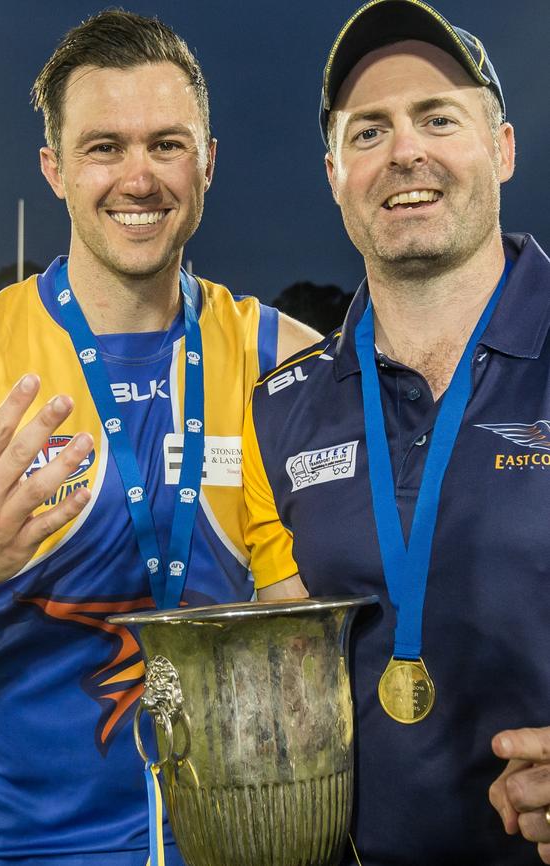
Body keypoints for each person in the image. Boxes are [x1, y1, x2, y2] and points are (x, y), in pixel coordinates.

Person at [0, 10, 318, 866]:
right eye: (103, 147)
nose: (138, 177)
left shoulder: (287, 362)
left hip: (244, 848)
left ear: (208, 162)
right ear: (54, 168)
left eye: (167, 144)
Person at [243, 1, 550, 864]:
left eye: (438, 117)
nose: (405, 151)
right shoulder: (280, 409)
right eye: (369, 130)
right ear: (335, 172)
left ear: (503, 148)